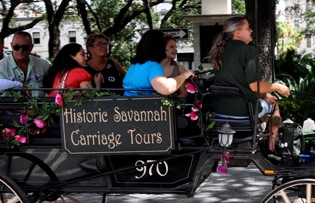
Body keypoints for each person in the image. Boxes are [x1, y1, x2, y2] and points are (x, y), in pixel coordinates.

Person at [207, 16, 290, 158]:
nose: (251, 31)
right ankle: (271, 150)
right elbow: (254, 86)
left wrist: (265, 95)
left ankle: (261, 136)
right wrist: (278, 87)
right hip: (243, 111)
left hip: (219, 111)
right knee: (274, 105)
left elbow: (237, 83)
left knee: (264, 104)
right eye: (248, 28)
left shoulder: (219, 51)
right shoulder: (248, 51)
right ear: (238, 32)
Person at [123, 30, 194, 97]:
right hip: (147, 105)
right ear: (158, 47)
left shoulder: (134, 66)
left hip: (127, 104)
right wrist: (184, 75)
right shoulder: (153, 66)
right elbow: (167, 88)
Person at [0, 31, 51, 95]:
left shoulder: (44, 65)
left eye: (25, 47)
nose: (20, 50)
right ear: (11, 46)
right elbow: (1, 96)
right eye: (16, 47)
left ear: (31, 47)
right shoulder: (0, 68)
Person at [161, 34, 188, 98]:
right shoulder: (153, 68)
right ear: (162, 48)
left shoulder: (180, 68)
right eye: (171, 47)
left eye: (175, 47)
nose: (175, 50)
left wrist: (173, 103)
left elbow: (184, 93)